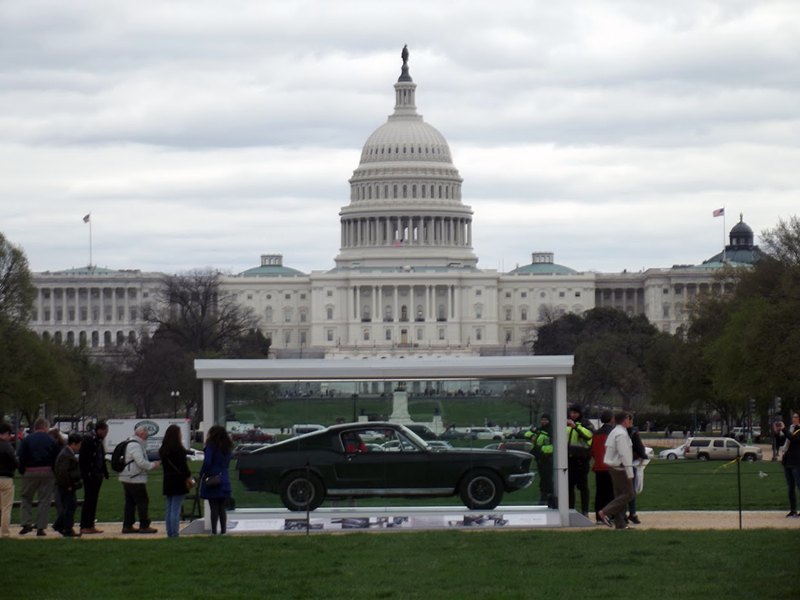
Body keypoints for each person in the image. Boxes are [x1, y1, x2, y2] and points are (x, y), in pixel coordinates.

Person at [17, 417, 60, 536]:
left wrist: (23, 471)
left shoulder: (27, 439)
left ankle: (26, 524)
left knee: (26, 497)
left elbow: (21, 457)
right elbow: (57, 458)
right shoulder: (51, 440)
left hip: (30, 471)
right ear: (45, 427)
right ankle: (41, 527)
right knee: (44, 500)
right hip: (47, 472)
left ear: (35, 427)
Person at [119, 425, 160, 534]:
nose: (146, 438)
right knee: (143, 501)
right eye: (146, 436)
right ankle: (144, 525)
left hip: (127, 477)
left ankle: (128, 525)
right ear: (141, 435)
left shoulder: (131, 443)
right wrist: (152, 465)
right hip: (134, 478)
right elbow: (141, 462)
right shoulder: (135, 446)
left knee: (130, 503)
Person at [598, 411, 635, 530]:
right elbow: (624, 454)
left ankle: (620, 524)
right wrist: (630, 472)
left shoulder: (614, 432)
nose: (630, 422)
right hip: (620, 468)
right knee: (629, 494)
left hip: (613, 467)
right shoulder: (622, 434)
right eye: (629, 419)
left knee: (619, 495)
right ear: (625, 420)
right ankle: (606, 512)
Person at [159, 424, 193, 538]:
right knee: (175, 509)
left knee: (169, 509)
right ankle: (174, 533)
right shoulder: (179, 450)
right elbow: (183, 467)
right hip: (178, 481)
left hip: (168, 480)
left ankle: (170, 533)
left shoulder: (163, 450)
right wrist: (189, 476)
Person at [199, 425, 233, 535]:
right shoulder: (227, 447)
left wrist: (202, 472)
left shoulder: (211, 445)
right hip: (224, 477)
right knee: (222, 507)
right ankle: (223, 530)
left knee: (213, 507)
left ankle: (214, 531)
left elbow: (207, 461)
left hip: (212, 478)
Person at [79, 420, 109, 534]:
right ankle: (85, 525)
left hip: (97, 474)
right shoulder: (89, 440)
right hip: (91, 475)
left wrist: (104, 472)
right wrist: (88, 474)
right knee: (89, 500)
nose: (106, 434)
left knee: (93, 500)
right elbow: (84, 459)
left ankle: (90, 524)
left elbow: (101, 456)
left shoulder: (98, 441)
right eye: (105, 431)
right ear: (99, 430)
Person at [53, 433, 83, 537]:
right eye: (79, 444)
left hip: (66, 484)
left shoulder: (66, 452)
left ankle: (60, 525)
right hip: (67, 485)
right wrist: (68, 485)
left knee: (69, 506)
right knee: (69, 507)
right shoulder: (66, 454)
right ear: (74, 444)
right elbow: (63, 471)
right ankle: (66, 528)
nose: (79, 447)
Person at [566, 404, 593, 516]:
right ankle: (570, 509)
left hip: (581, 461)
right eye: (571, 413)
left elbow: (589, 435)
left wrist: (576, 427)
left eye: (575, 413)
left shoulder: (586, 423)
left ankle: (585, 510)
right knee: (569, 487)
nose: (572, 415)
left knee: (583, 487)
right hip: (569, 460)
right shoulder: (566, 424)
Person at [591, 410, 615, 525]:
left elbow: (593, 451)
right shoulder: (613, 433)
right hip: (610, 466)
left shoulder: (596, 434)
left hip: (599, 466)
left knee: (600, 493)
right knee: (611, 493)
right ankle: (610, 515)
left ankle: (599, 516)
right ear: (612, 419)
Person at [775, 412, 800, 518]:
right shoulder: (790, 428)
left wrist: (784, 430)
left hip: (796, 462)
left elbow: (793, 439)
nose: (793, 419)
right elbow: (783, 442)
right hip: (787, 461)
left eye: (796, 417)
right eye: (793, 417)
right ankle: (793, 509)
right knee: (790, 487)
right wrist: (777, 433)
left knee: (799, 486)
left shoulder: (798, 430)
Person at [626, 416, 648, 525]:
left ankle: (621, 513)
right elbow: (640, 448)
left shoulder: (615, 432)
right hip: (630, 463)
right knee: (631, 491)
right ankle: (632, 513)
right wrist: (643, 456)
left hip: (616, 464)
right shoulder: (633, 433)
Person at [528, 414, 553, 505]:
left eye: (546, 420)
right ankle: (545, 496)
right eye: (542, 420)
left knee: (547, 479)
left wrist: (541, 449)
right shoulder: (539, 429)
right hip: (539, 458)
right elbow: (527, 433)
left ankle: (546, 498)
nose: (544, 422)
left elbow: (552, 447)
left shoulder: (551, 431)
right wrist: (532, 436)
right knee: (543, 479)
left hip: (547, 458)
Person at [0, 422, 19, 538]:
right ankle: (5, 532)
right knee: (6, 508)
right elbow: (15, 462)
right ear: (6, 433)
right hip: (6, 478)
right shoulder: (7, 446)